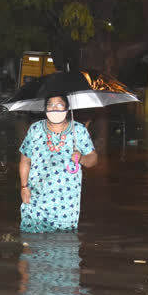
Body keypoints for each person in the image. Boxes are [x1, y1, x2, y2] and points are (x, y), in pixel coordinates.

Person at [19, 95, 98, 232]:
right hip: (36, 196)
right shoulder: (35, 129)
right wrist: (24, 187)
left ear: (67, 109)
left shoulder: (78, 131)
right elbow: (25, 161)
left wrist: (81, 158)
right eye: (50, 105)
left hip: (66, 202)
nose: (55, 108)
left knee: (63, 243)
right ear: (45, 109)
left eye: (60, 105)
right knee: (31, 241)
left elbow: (93, 159)